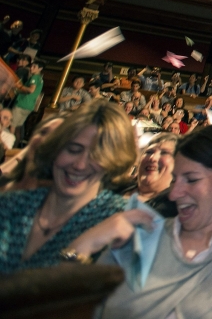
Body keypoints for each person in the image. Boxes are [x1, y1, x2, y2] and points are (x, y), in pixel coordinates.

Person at [72, 125, 212, 318]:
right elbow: (68, 305)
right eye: (175, 179)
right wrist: (86, 244)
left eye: (191, 180)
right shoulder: (140, 234)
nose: (174, 194)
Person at [0, 102, 136, 273]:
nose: (80, 165)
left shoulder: (118, 220)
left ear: (113, 162)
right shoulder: (11, 203)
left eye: (96, 155)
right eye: (73, 149)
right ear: (55, 149)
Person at [131, 132, 179, 209]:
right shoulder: (117, 186)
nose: (152, 158)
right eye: (149, 152)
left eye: (164, 153)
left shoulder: (174, 209)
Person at [10, 59, 43, 139]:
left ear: (40, 68)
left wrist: (19, 86)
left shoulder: (34, 77)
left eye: (34, 66)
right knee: (18, 127)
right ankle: (15, 146)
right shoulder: (40, 79)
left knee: (12, 125)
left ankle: (7, 146)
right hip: (29, 106)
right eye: (31, 66)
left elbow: (31, 90)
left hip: (22, 104)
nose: (31, 68)